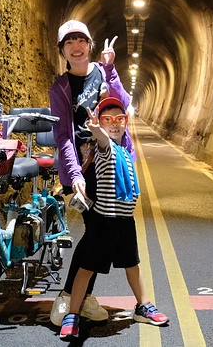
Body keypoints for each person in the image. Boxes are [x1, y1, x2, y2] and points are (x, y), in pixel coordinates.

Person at [48, 20, 136, 326]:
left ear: (90, 45)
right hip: (86, 170)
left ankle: (78, 298)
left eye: (81, 40)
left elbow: (124, 106)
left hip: (114, 163)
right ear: (62, 50)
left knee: (101, 233)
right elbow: (63, 136)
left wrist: (111, 70)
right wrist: (74, 176)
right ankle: (72, 297)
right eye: (69, 41)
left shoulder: (103, 72)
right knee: (98, 231)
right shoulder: (60, 88)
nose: (76, 46)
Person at [59, 97, 168, 341]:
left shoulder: (125, 151)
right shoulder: (104, 149)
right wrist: (98, 131)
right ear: (101, 124)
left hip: (125, 221)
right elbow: (103, 140)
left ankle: (143, 306)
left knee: (133, 265)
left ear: (126, 121)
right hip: (104, 221)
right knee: (86, 269)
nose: (114, 124)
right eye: (108, 120)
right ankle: (72, 314)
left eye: (119, 119)